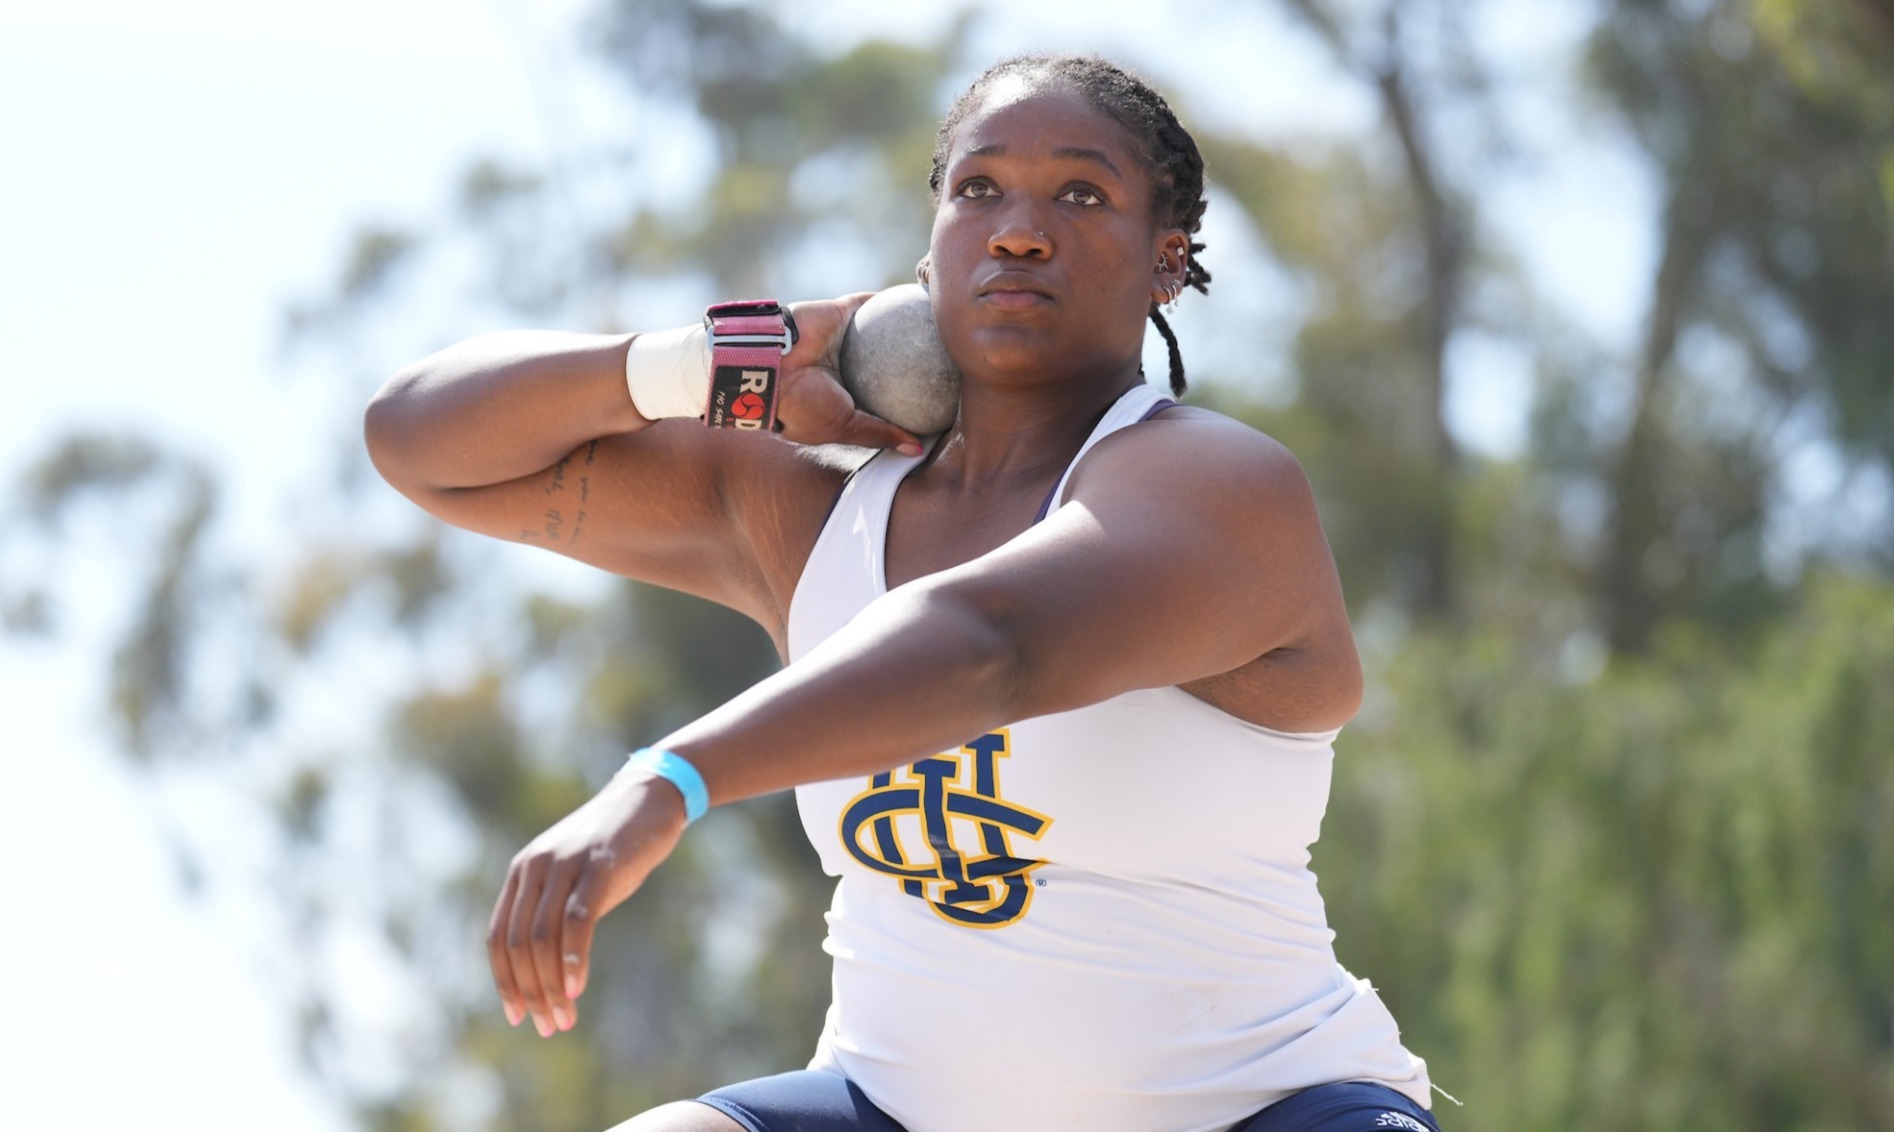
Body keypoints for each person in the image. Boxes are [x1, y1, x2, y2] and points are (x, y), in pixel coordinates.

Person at [366, 53, 1441, 1132]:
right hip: (892, 1106)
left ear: (1167, 262)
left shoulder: (1219, 489)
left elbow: (989, 647)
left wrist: (669, 780)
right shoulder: (814, 517)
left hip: (1264, 1107)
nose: (1017, 232)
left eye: (1080, 194)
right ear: (928, 250)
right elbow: (419, 442)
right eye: (978, 189)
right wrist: (712, 363)